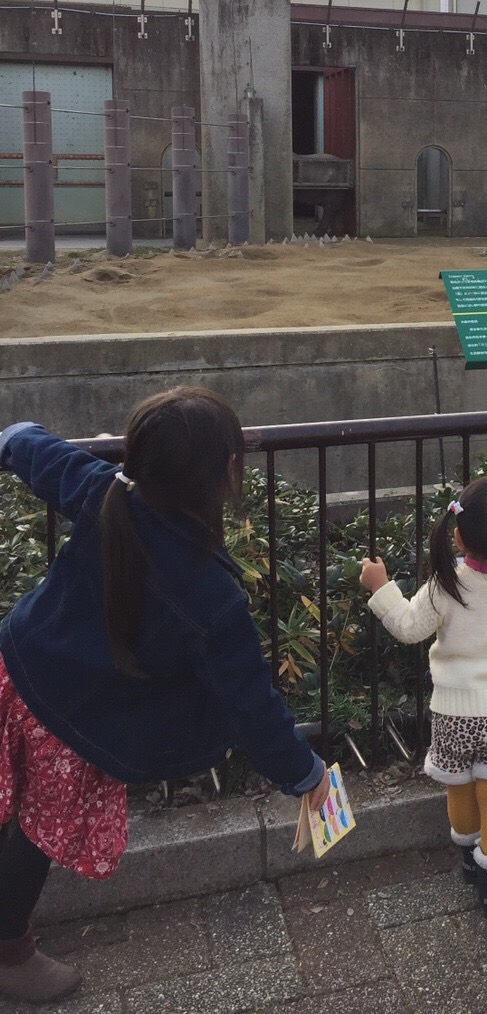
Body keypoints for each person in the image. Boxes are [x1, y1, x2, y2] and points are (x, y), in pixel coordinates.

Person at [0, 387, 330, 1004]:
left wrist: (12, 436)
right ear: (228, 472)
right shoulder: (211, 594)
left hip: (16, 663)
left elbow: (32, 447)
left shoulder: (104, 489)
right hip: (68, 723)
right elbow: (251, 707)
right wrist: (305, 773)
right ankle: (8, 951)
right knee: (34, 832)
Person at [361, 475, 487, 920]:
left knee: (460, 785)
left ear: (455, 536)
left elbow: (409, 627)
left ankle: (470, 859)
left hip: (454, 713)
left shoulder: (446, 586)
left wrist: (380, 586)